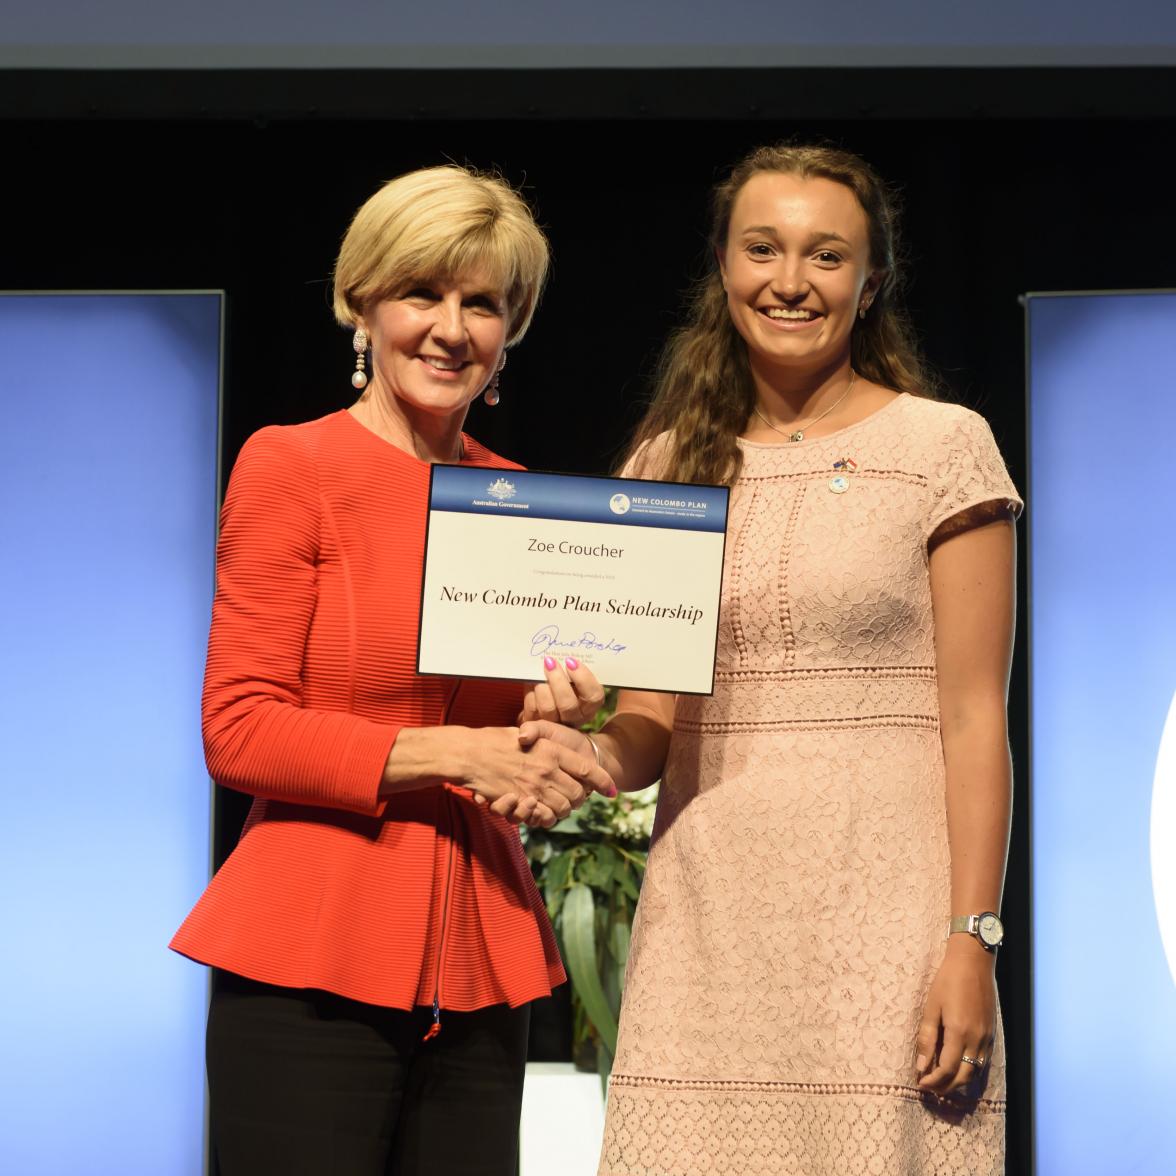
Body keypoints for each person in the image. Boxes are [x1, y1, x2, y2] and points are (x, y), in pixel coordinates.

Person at [538, 143, 1022, 1174]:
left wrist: (969, 939)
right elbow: (650, 732)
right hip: (709, 932)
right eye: (763, 248)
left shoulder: (944, 448)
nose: (790, 280)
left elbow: (978, 722)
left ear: (872, 279)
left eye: (826, 255)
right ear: (722, 265)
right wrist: (577, 738)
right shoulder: (670, 466)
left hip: (889, 931)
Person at [170, 164, 612, 1176]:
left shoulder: (519, 497)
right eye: (423, 292)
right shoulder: (292, 465)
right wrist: (466, 752)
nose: (451, 328)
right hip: (308, 959)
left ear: (515, 327)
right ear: (360, 304)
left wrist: (554, 727)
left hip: (479, 965)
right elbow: (237, 729)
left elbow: (516, 740)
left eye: (484, 303)